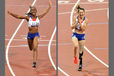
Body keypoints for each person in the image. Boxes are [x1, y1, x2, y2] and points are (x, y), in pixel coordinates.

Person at [7, 0, 52, 68]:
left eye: (34, 10)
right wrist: (11, 13)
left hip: (36, 35)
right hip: (29, 35)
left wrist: (50, 6)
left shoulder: (38, 17)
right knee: (31, 48)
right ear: (30, 12)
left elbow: (46, 12)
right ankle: (34, 56)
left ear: (36, 11)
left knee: (35, 47)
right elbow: (18, 16)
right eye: (32, 10)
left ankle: (34, 62)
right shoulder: (28, 18)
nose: (33, 11)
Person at [71, 4, 88, 71]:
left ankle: (80, 64)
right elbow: (71, 27)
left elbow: (83, 29)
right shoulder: (75, 17)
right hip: (75, 34)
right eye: (80, 12)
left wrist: (80, 22)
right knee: (75, 46)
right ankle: (75, 57)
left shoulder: (86, 20)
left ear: (84, 13)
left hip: (82, 36)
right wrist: (76, 23)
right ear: (78, 12)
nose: (81, 13)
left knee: (81, 52)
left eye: (82, 12)